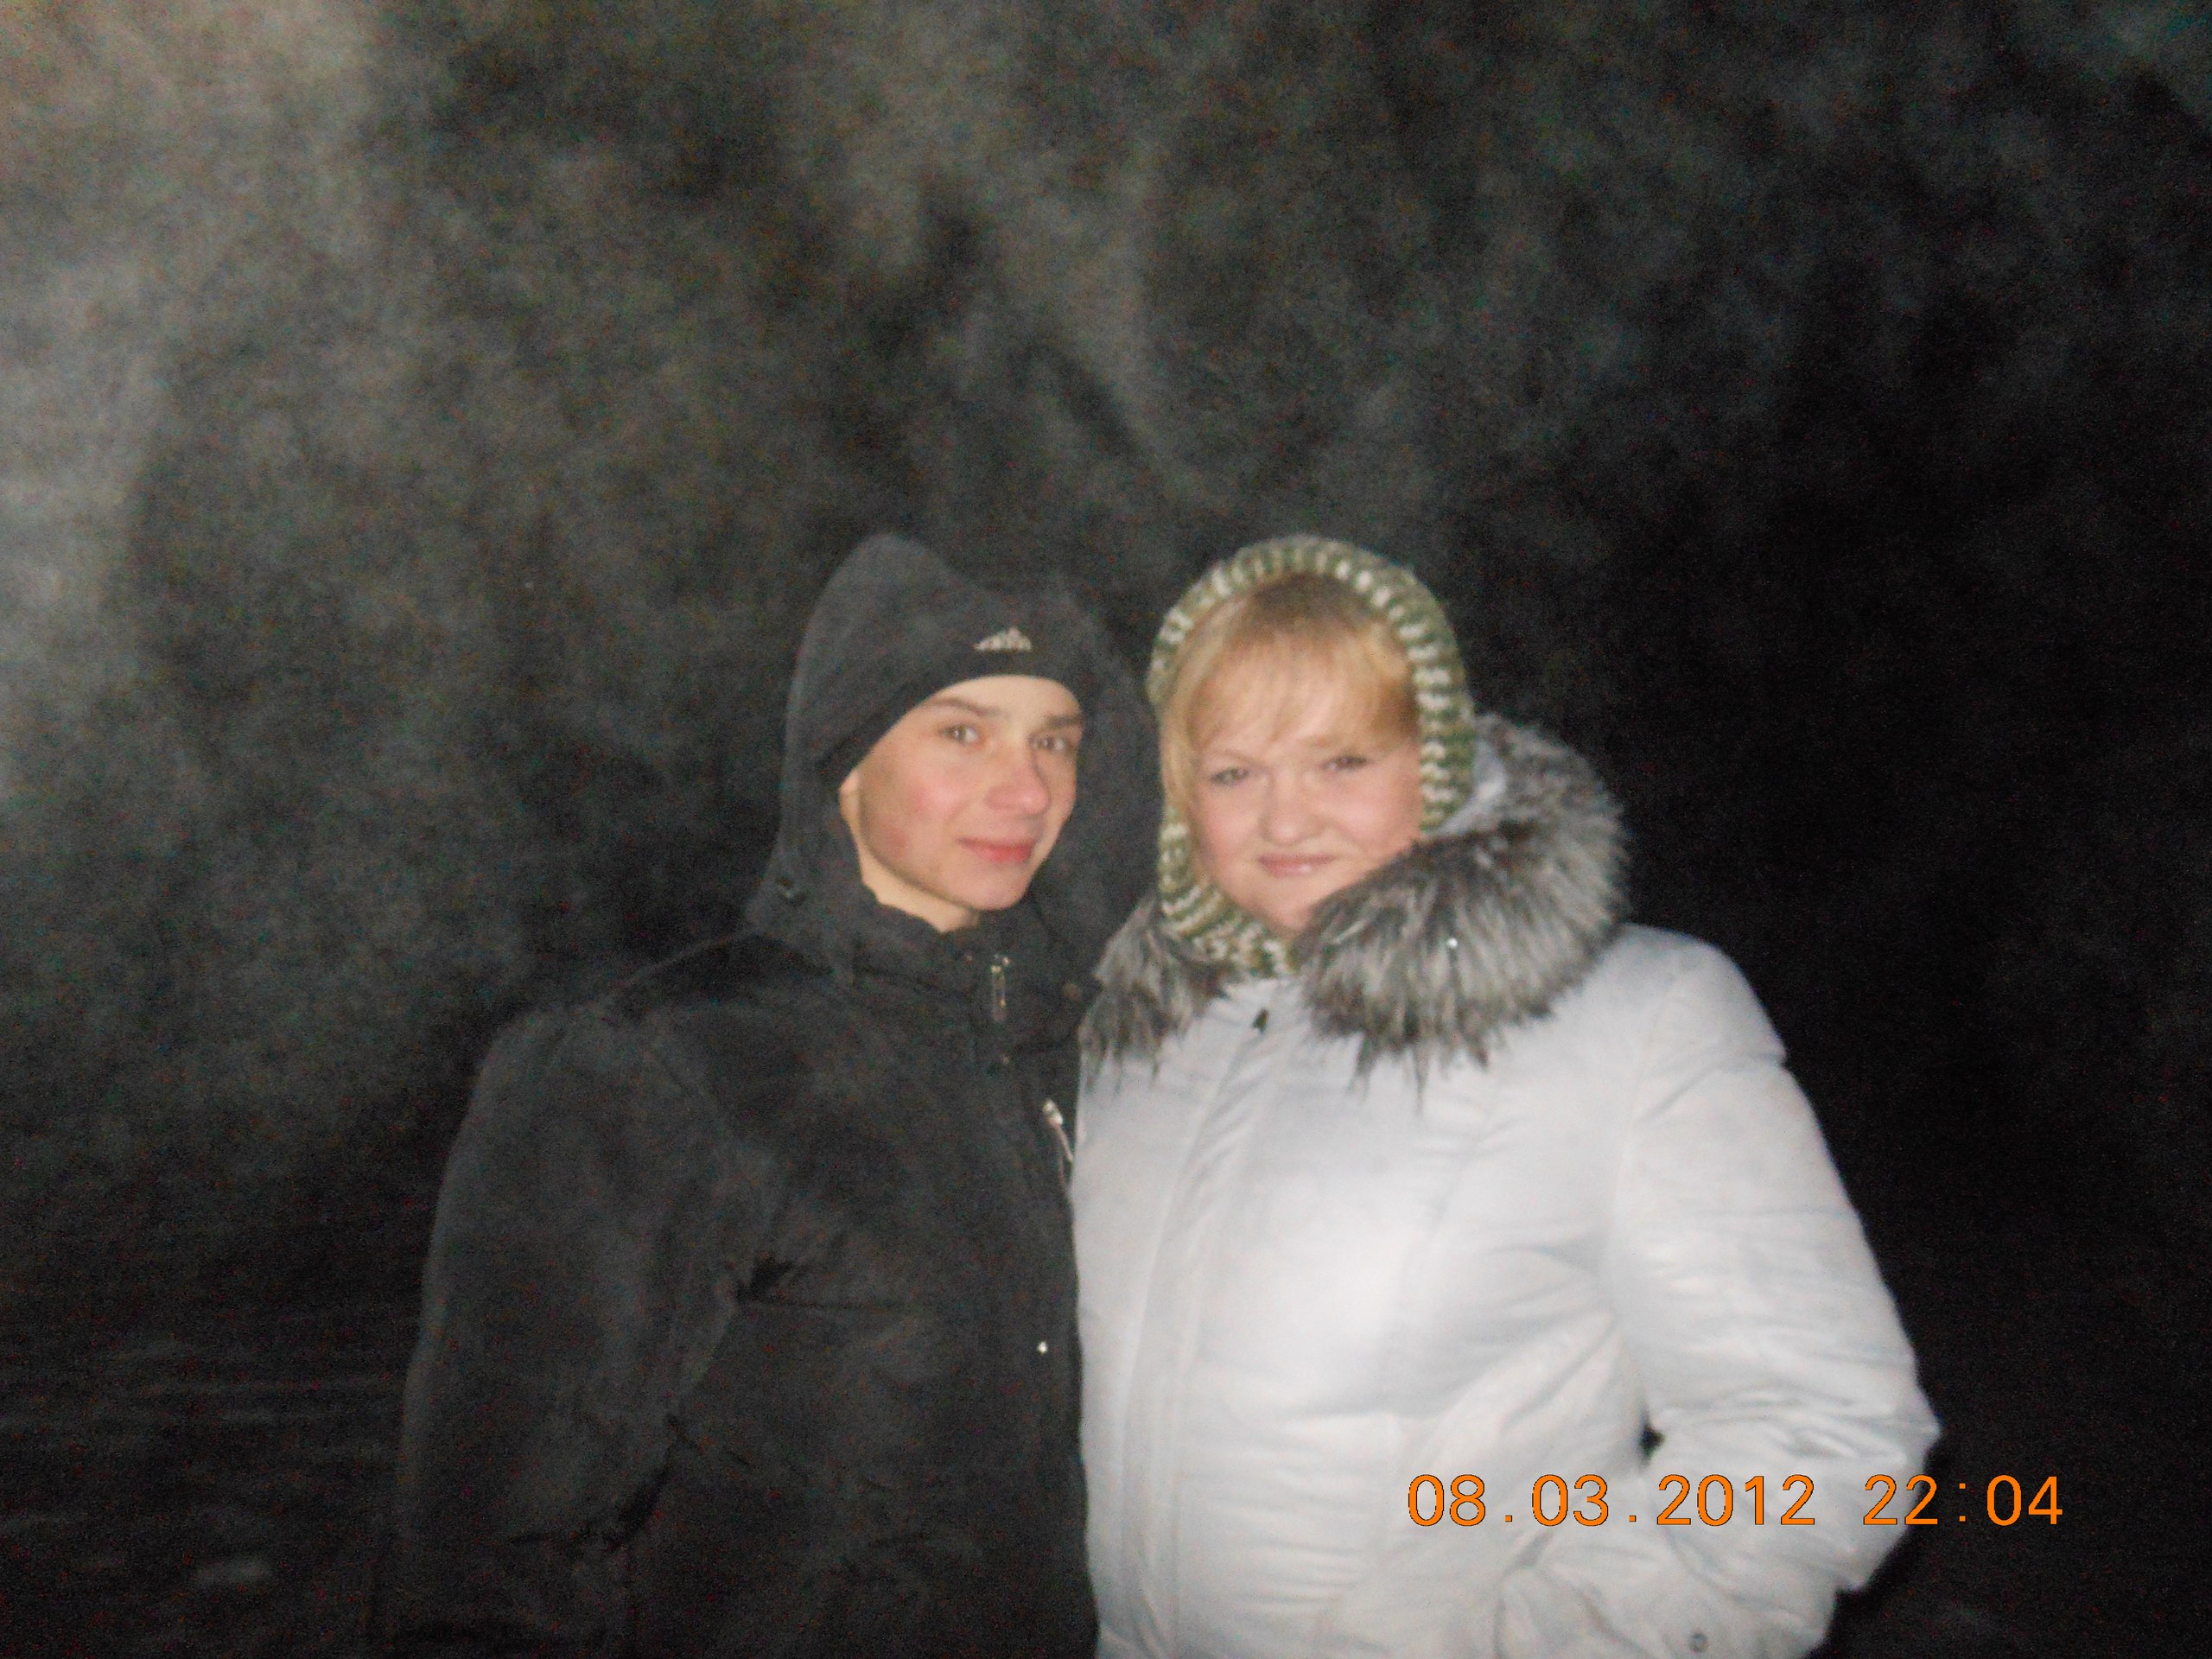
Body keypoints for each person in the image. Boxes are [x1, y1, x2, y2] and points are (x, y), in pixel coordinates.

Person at [1072, 534, 1938, 1659]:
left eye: (1341, 761)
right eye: (1235, 773)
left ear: (1432, 760)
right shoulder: (1132, 1033)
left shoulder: (1634, 1016)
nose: (1285, 822)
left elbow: (1819, 1434)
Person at [378, 532, 1157, 1657]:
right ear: (846, 761)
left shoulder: (1054, 1052)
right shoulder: (668, 1069)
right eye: (962, 732)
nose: (1028, 787)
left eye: (1055, 739)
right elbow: (493, 1550)